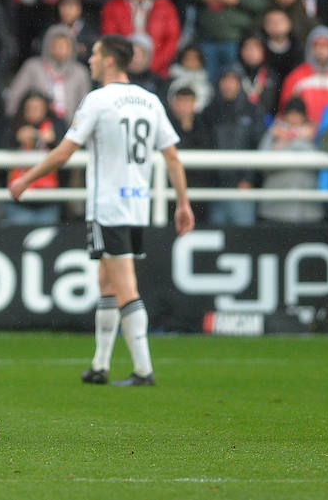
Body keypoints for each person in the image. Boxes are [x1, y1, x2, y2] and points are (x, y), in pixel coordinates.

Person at [10, 35, 194, 386]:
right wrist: (182, 203)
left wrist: (26, 179)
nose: (90, 60)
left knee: (125, 285)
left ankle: (143, 369)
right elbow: (171, 156)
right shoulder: (150, 101)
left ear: (109, 60)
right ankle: (100, 364)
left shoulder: (98, 100)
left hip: (109, 206)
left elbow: (65, 152)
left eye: (94, 54)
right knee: (106, 280)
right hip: (137, 203)